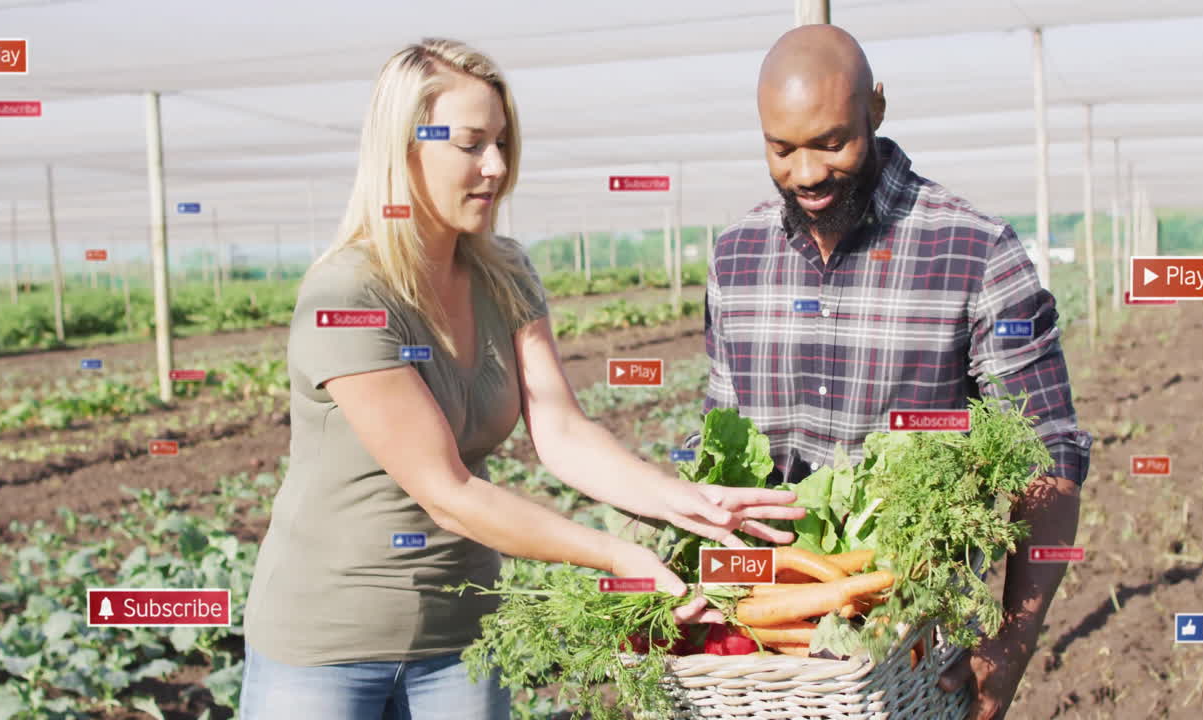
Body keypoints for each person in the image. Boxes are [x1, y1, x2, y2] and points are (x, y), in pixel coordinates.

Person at [238, 37, 805, 720]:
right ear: (404, 146)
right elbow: (446, 493)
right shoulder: (347, 296)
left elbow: (561, 430)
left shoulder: (503, 274)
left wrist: (680, 502)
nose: (497, 167)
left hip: (463, 639)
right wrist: (614, 554)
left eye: (502, 143)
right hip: (326, 644)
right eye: (472, 144)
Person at [687, 24, 1093, 720]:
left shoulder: (975, 251)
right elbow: (720, 462)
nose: (807, 173)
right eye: (781, 150)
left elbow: (1047, 455)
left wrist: (1015, 642)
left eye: (831, 142)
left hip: (915, 648)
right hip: (765, 645)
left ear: (876, 108)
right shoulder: (736, 258)